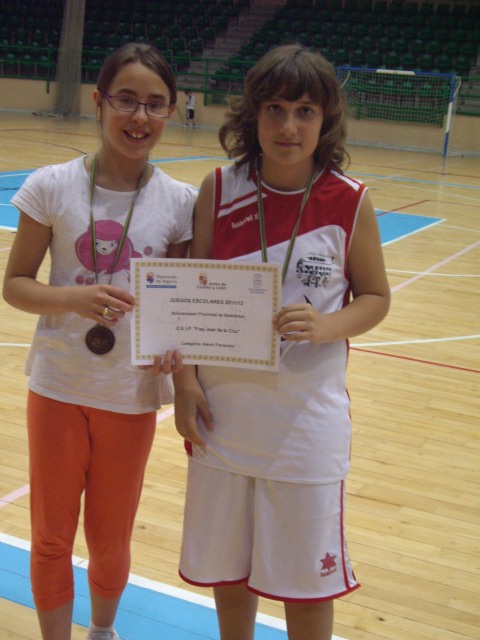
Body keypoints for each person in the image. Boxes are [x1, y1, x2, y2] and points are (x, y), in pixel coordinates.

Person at [173, 43, 390, 640]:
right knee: (229, 571)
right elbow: (188, 300)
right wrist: (185, 383)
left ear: (326, 120)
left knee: (306, 581)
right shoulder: (218, 189)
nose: (288, 126)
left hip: (305, 424)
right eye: (273, 108)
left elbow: (375, 297)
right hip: (224, 414)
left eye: (304, 110)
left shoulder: (350, 200)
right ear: (252, 114)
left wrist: (329, 325)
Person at [2, 43, 196, 640]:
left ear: (171, 113)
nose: (140, 118)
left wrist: (176, 349)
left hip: (131, 393)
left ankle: (103, 631)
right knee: (51, 533)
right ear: (100, 102)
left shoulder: (181, 202)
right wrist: (71, 299)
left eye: (155, 105)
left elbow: (181, 307)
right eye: (127, 101)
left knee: (111, 537)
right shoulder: (51, 185)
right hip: (59, 382)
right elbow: (14, 285)